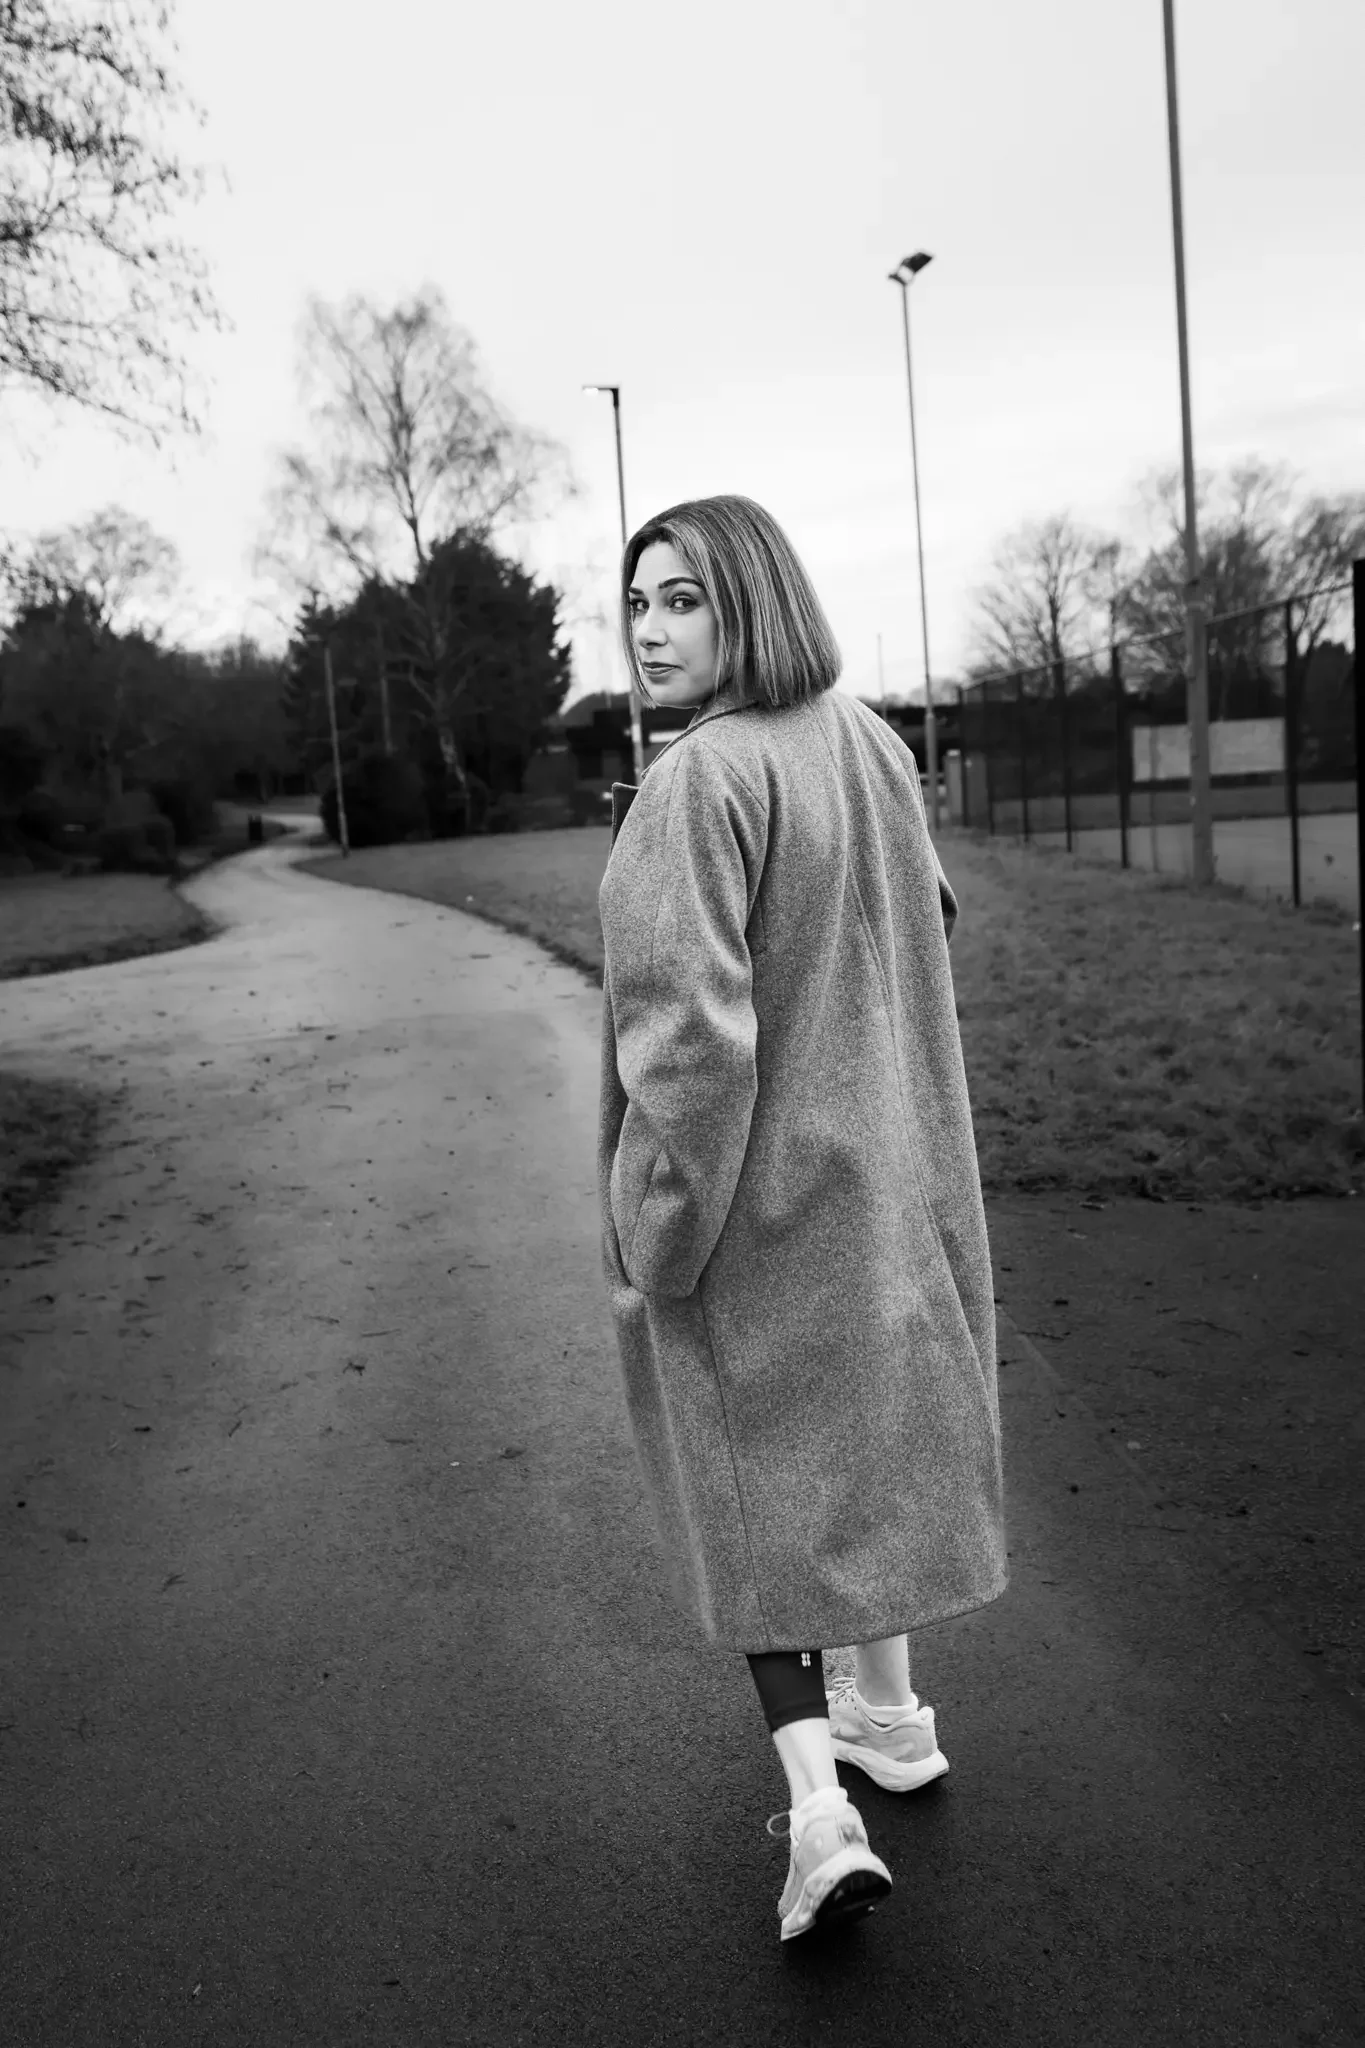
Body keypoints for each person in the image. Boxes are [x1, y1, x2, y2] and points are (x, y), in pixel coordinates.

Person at [597, 495, 1006, 1945]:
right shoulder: (873, 742)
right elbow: (931, 919)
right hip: (887, 1171)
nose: (650, 629)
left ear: (753, 601)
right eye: (638, 600)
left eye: (686, 600)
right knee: (861, 1451)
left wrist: (655, 1230)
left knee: (755, 1496)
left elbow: (691, 1048)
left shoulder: (695, 784)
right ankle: (891, 1716)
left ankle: (819, 1816)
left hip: (752, 1201)